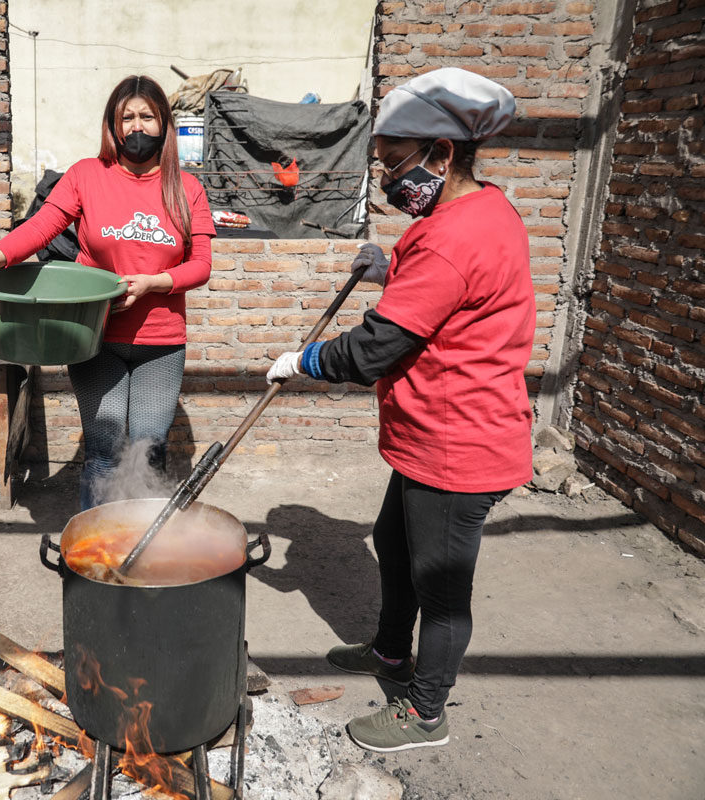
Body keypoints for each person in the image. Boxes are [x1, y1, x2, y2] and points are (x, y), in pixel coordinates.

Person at [265, 68, 535, 752]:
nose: (390, 182)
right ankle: (389, 653)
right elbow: (456, 291)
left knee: (440, 589)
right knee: (392, 545)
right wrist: (391, 269)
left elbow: (376, 349)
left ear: (443, 156)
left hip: (458, 444)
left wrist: (308, 360)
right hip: (431, 435)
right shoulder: (477, 211)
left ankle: (424, 711)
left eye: (396, 164)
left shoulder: (451, 235)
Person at [0, 75, 216, 509]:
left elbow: (200, 265)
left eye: (147, 117)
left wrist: (153, 284)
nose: (136, 127)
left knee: (150, 450)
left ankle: (142, 550)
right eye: (125, 117)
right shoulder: (86, 176)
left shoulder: (186, 188)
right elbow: (39, 229)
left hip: (161, 342)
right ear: (112, 125)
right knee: (105, 451)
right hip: (94, 337)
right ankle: (94, 557)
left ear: (164, 123)